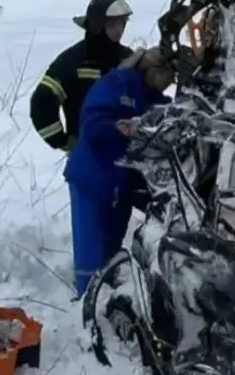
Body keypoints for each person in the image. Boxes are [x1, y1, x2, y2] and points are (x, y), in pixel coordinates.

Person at [64, 48, 176, 298]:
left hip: (122, 182)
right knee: (91, 250)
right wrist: (115, 127)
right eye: (168, 77)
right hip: (92, 178)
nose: (170, 84)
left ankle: (105, 296)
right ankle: (85, 300)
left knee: (111, 247)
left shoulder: (154, 97)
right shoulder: (116, 84)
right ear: (153, 71)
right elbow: (91, 124)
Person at [30, 0, 135, 152]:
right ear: (97, 25)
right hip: (88, 159)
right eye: (112, 24)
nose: (119, 29)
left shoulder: (128, 58)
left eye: (122, 23)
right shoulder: (72, 61)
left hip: (128, 154)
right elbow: (42, 101)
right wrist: (62, 141)